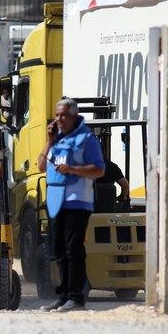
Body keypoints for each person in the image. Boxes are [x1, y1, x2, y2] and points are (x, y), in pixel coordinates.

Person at [39, 98, 105, 312]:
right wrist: (49, 140)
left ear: (75, 116)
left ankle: (76, 297)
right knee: (57, 249)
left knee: (73, 249)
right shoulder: (56, 140)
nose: (59, 119)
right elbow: (41, 165)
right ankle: (63, 296)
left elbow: (99, 170)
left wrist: (74, 170)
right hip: (56, 200)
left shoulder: (87, 139)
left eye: (63, 115)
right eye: (57, 115)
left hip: (77, 201)